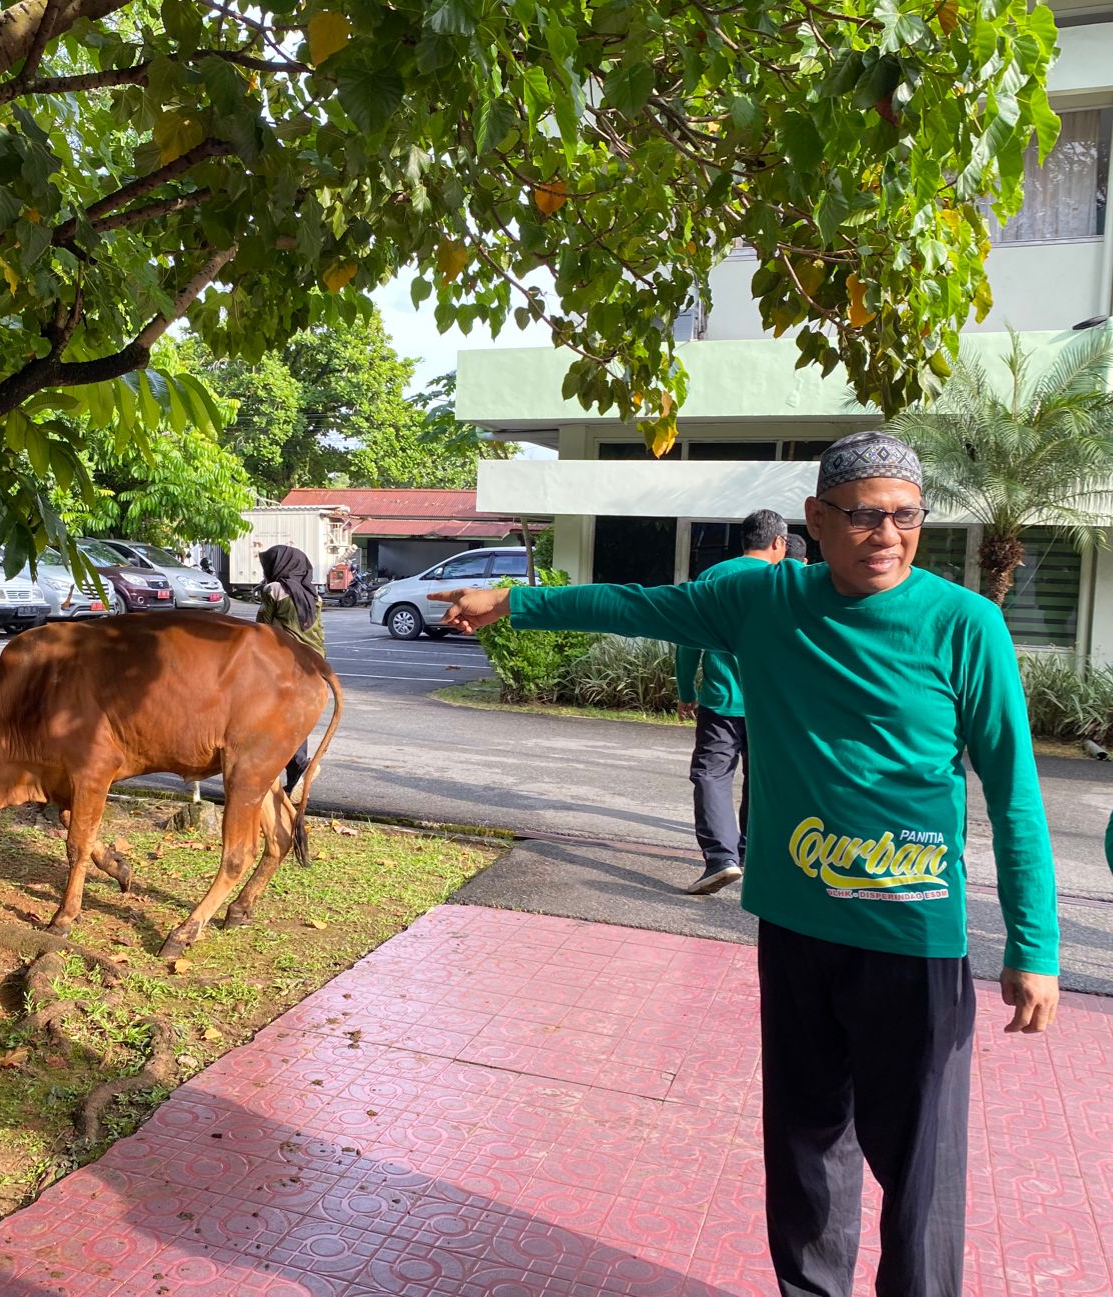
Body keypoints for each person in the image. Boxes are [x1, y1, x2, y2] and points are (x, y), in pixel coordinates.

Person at [429, 431, 1058, 1297]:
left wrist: (1034, 945)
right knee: (805, 1148)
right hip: (798, 929)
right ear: (815, 520)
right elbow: (638, 605)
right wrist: (512, 600)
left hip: (913, 940)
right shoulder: (763, 600)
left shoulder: (965, 625)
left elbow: (1015, 793)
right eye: (864, 515)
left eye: (906, 516)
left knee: (921, 1172)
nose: (887, 534)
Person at [674, 510, 789, 895]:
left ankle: (721, 859)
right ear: (778, 542)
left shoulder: (712, 577)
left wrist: (686, 690)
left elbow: (688, 640)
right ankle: (751, 854)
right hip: (772, 707)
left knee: (712, 776)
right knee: (763, 779)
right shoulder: (786, 580)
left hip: (721, 703)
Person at [256, 544, 325, 791]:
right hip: (315, 664)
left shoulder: (274, 589)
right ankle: (296, 773)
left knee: (269, 716)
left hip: (285, 662)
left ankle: (296, 766)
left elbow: (261, 627)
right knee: (297, 718)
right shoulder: (313, 594)